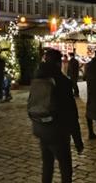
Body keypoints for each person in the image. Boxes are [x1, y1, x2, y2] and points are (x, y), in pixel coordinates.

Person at [30, 49, 83, 183]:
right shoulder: (62, 81)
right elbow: (71, 113)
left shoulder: (38, 77)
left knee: (47, 165)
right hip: (58, 131)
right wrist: (77, 140)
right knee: (65, 167)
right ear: (59, 63)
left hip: (40, 127)